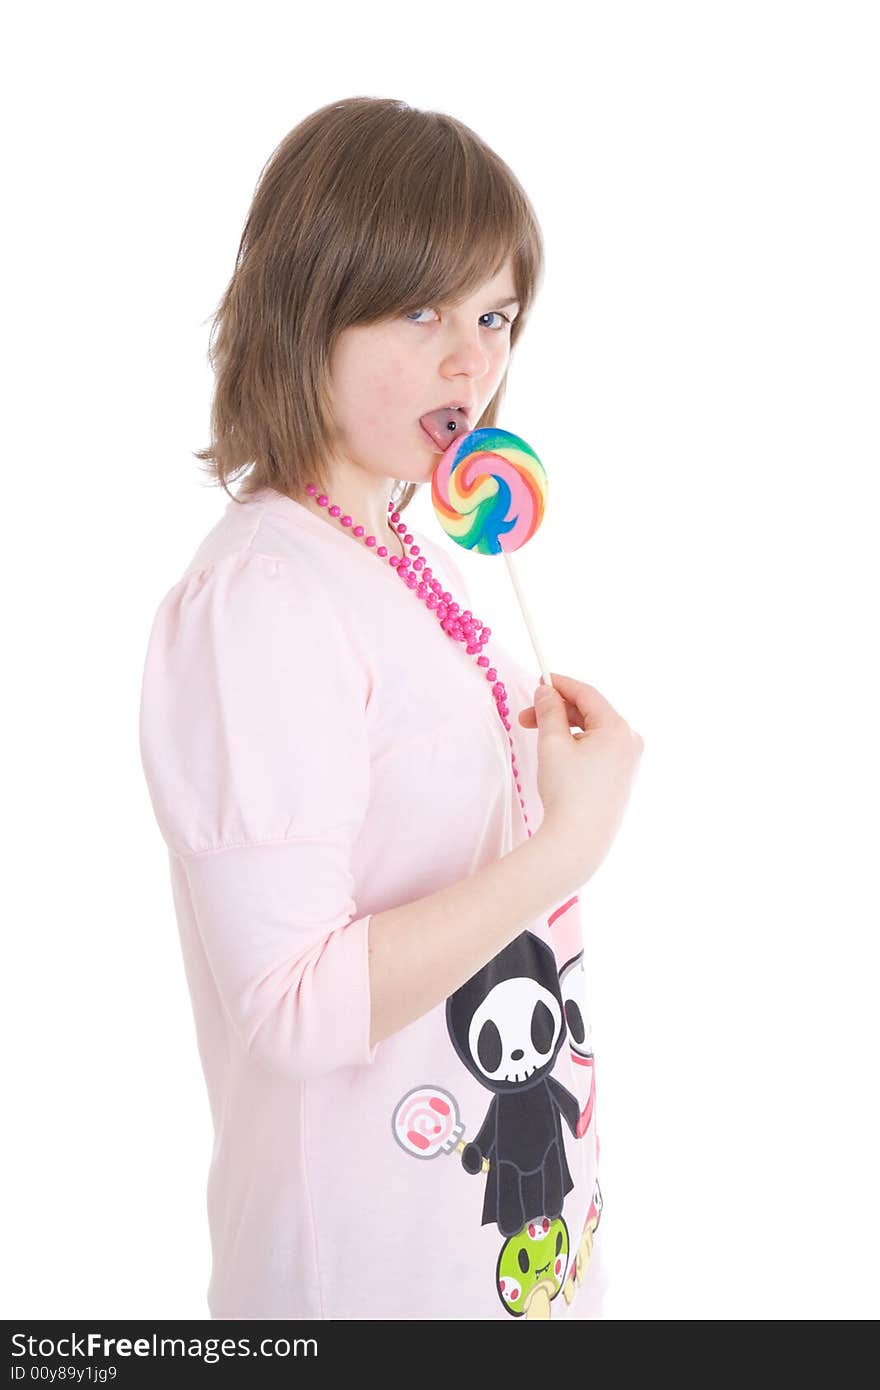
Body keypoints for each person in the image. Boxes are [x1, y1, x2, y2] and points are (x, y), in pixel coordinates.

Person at [138, 96, 644, 1322]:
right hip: (365, 1293)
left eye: (494, 314)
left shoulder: (412, 552)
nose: (474, 360)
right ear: (309, 305)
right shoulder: (262, 593)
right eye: (420, 310)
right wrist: (568, 848)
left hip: (505, 1260)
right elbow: (297, 1009)